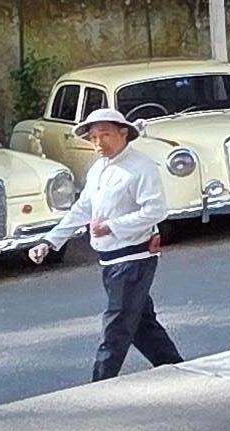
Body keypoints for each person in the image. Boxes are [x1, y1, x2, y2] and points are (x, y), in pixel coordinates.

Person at [27, 98, 184, 376]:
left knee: (117, 325)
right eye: (94, 138)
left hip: (133, 256)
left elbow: (156, 210)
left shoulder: (141, 166)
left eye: (105, 135)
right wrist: (50, 241)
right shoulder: (98, 168)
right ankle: (177, 367)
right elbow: (83, 208)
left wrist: (112, 226)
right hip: (111, 258)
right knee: (140, 323)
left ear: (123, 133)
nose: (99, 143)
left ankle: (101, 381)